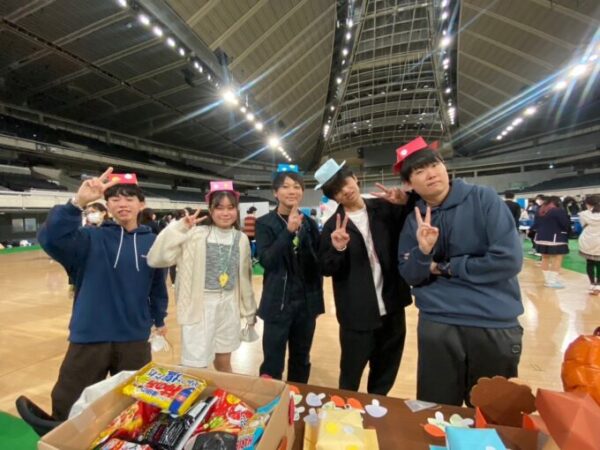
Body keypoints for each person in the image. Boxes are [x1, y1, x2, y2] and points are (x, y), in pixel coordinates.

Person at [395, 139, 524, 407]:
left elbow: (508, 260)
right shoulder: (414, 219)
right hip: (438, 323)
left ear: (444, 166)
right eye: (419, 171)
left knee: (491, 413)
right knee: (436, 411)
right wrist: (423, 252)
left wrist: (445, 267)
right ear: (409, 184)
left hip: (493, 321)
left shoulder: (484, 199)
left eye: (434, 165)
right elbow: (409, 274)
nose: (431, 174)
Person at [36, 168, 168, 420]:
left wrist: (159, 319)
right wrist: (77, 203)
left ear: (141, 204)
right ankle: (63, 437)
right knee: (68, 400)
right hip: (90, 334)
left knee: (134, 404)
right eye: (115, 198)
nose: (122, 204)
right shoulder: (88, 239)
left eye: (129, 198)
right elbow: (50, 238)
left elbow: (157, 286)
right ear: (107, 205)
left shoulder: (152, 242)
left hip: (134, 336)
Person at [316, 158, 413, 395]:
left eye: (345, 182)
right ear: (333, 197)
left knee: (386, 369)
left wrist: (406, 202)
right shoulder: (332, 227)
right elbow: (326, 268)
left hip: (392, 307)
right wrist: (338, 248)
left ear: (355, 178)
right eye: (337, 190)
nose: (345, 190)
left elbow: (413, 225)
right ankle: (345, 408)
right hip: (356, 313)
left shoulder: (385, 208)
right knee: (351, 372)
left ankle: (377, 406)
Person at [147, 181, 257, 372]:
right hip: (199, 306)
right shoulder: (195, 234)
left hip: (229, 306)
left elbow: (245, 278)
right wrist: (179, 228)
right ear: (211, 210)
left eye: (230, 207)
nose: (225, 213)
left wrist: (249, 311)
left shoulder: (241, 239)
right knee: (195, 365)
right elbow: (156, 259)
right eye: (219, 207)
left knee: (224, 360)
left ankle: (225, 391)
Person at [255, 167, 323, 383]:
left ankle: (297, 396)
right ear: (275, 192)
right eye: (285, 186)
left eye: (296, 186)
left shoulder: (310, 224)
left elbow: (317, 264)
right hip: (278, 303)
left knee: (301, 359)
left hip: (305, 304)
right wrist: (288, 232)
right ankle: (271, 399)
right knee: (272, 361)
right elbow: (267, 261)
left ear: (302, 191)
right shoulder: (264, 223)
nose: (291, 191)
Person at [531, 196, 570, 289]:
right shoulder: (558, 211)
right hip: (556, 238)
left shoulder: (540, 210)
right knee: (557, 258)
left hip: (541, 237)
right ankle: (552, 281)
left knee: (545, 258)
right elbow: (565, 224)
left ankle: (547, 280)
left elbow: (535, 224)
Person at [578, 194, 600, 295]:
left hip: (588, 240)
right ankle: (598, 285)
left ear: (588, 204)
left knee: (589, 262)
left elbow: (583, 226)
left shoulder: (584, 214)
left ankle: (592, 283)